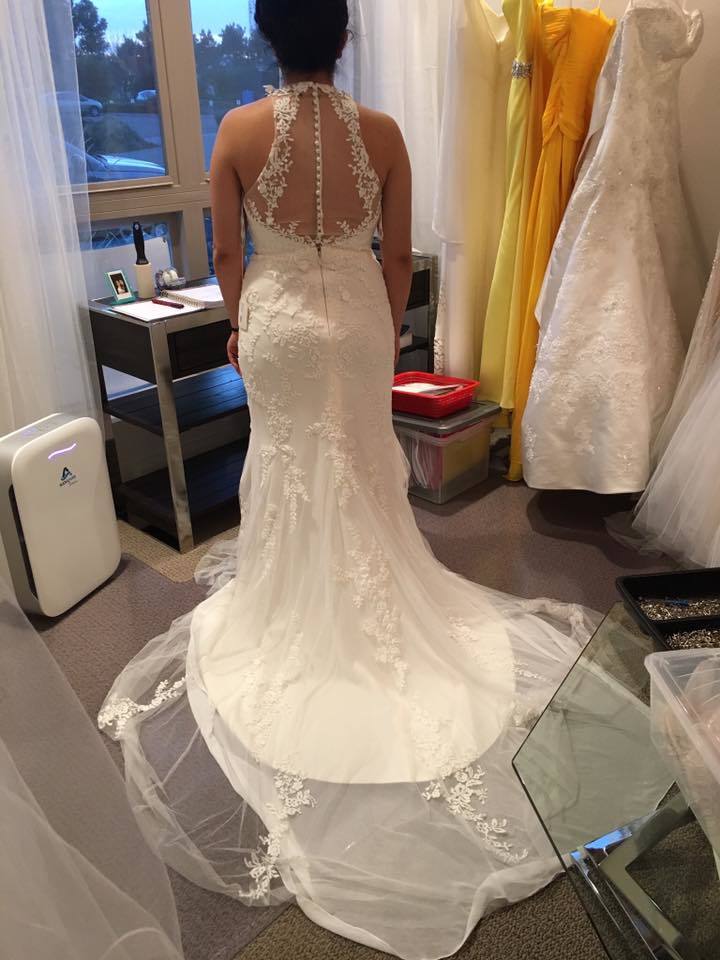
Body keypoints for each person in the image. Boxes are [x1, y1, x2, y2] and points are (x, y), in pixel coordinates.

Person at [99, 3, 600, 957]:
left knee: (294, 466)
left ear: (266, 36)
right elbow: (402, 259)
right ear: (342, 35)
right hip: (362, 319)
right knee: (365, 464)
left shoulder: (237, 132)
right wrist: (371, 324)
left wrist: (245, 326)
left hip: (283, 321)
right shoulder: (386, 133)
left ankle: (304, 610)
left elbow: (231, 257)